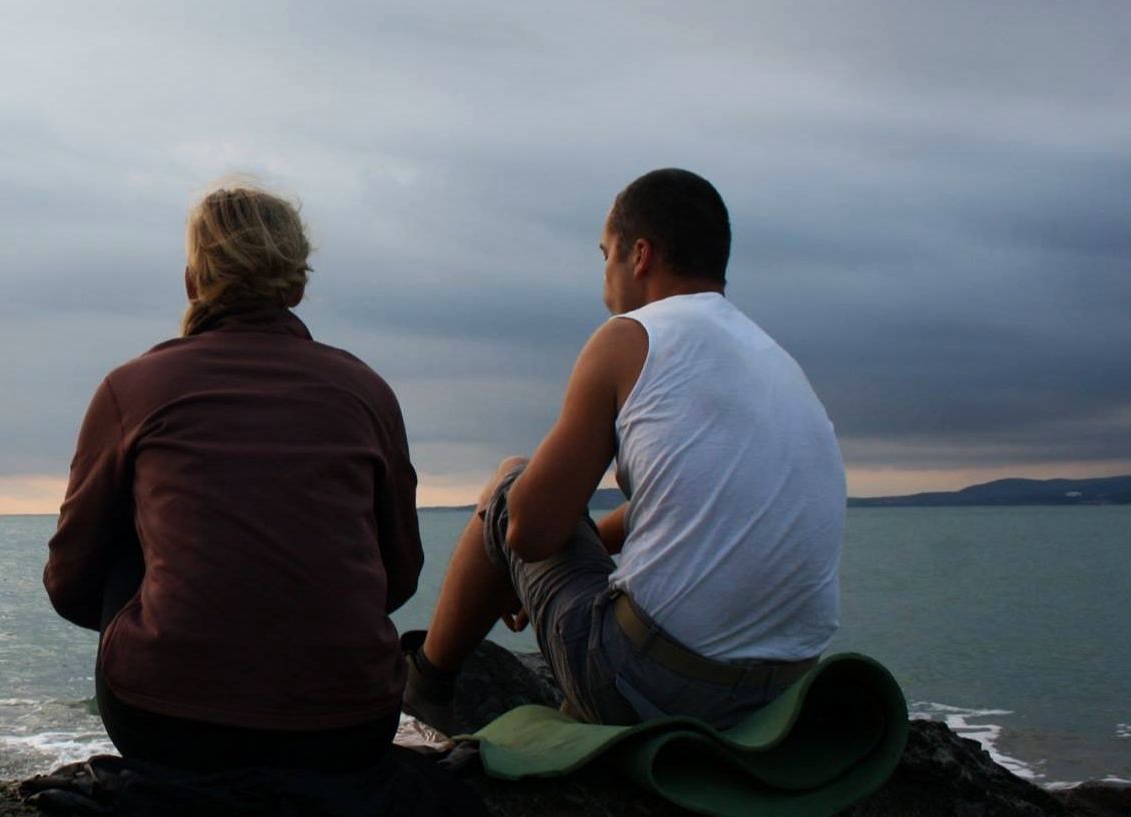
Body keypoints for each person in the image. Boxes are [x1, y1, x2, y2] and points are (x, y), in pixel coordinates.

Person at [406, 168, 845, 732]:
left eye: (605, 254)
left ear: (640, 255)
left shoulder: (628, 337)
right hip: (782, 696)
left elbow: (528, 532)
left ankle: (425, 684)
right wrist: (578, 546)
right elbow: (693, 499)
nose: (604, 277)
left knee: (511, 482)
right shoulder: (774, 361)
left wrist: (518, 570)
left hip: (652, 689)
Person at [45, 183, 424, 772]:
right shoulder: (366, 392)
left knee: (128, 537)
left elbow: (69, 582)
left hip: (168, 726)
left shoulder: (133, 388)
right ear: (297, 288)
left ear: (192, 282)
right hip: (352, 725)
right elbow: (400, 575)